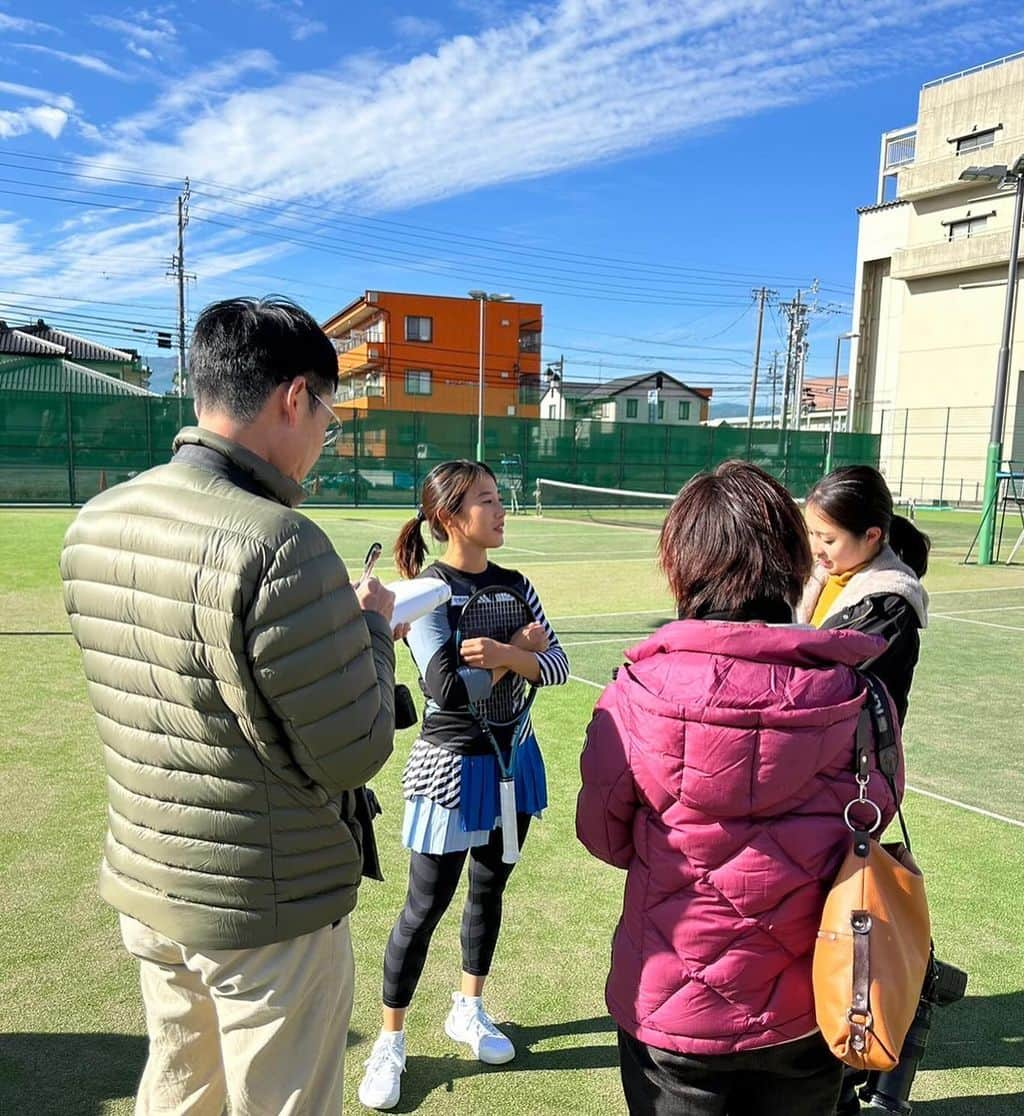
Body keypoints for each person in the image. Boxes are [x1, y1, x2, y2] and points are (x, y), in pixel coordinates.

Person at [60, 296, 404, 1116]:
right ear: (295, 398)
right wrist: (374, 631)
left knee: (180, 1091)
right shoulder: (280, 542)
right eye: (329, 411)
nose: (326, 435)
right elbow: (354, 748)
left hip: (151, 880)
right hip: (266, 906)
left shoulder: (95, 520)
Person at [576, 461, 902, 1116]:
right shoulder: (860, 694)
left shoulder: (634, 696)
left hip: (672, 1008)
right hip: (813, 998)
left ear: (683, 567)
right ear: (789, 560)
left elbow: (603, 837)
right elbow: (878, 810)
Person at [358, 459, 569, 1111]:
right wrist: (517, 658)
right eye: (486, 500)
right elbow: (445, 693)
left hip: (515, 765)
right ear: (450, 517)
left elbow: (557, 664)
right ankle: (390, 1043)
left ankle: (467, 1009)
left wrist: (509, 656)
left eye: (500, 497)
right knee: (425, 906)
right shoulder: (425, 591)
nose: (500, 510)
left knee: (489, 889)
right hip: (450, 770)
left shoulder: (518, 582)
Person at [798, 465, 930, 725]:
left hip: (856, 753)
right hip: (815, 745)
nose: (815, 549)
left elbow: (837, 689)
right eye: (811, 534)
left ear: (871, 536)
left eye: (827, 540)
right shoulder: (815, 579)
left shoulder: (889, 606)